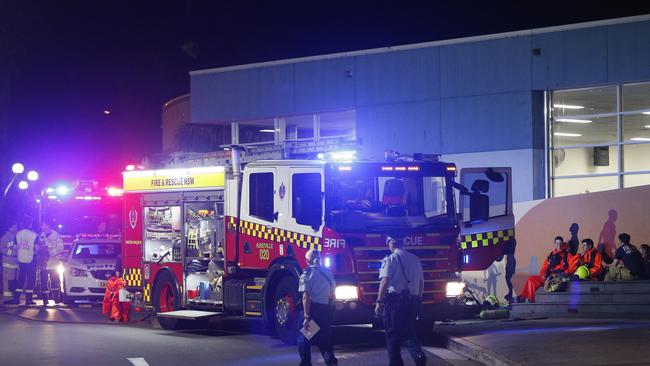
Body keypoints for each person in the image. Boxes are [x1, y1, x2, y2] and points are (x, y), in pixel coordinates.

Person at [375, 236, 426, 366]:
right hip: (412, 301)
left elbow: (384, 281)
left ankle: (396, 363)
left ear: (392, 243)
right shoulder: (415, 259)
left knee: (392, 334)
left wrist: (379, 302)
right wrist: (417, 300)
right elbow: (421, 283)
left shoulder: (390, 259)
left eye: (388, 243)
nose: (388, 246)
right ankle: (418, 355)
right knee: (409, 331)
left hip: (395, 303)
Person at [297, 249, 337, 366]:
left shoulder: (307, 273)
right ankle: (331, 362)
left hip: (312, 311)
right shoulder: (328, 273)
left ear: (307, 260)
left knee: (304, 339)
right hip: (324, 310)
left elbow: (306, 297)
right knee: (325, 341)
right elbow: (333, 295)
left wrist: (306, 316)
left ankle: (306, 363)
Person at [517, 236, 573, 303]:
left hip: (557, 279)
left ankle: (526, 299)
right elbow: (544, 267)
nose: (559, 245)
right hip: (547, 278)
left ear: (563, 244)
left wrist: (560, 275)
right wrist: (543, 275)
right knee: (531, 279)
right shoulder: (551, 255)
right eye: (557, 244)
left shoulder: (568, 255)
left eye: (560, 243)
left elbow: (571, 268)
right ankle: (527, 299)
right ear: (555, 244)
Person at [9, 217, 39, 305]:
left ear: (22, 224)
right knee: (31, 279)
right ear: (30, 223)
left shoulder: (18, 234)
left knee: (21, 279)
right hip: (31, 260)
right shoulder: (34, 235)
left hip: (21, 259)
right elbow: (37, 248)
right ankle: (28, 299)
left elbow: (15, 247)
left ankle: (16, 298)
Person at [39, 221, 64, 304]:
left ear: (48, 225)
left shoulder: (56, 235)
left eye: (43, 224)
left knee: (55, 281)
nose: (41, 226)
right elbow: (38, 247)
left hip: (54, 263)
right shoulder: (40, 235)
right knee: (43, 282)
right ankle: (45, 300)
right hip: (44, 263)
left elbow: (60, 248)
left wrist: (50, 251)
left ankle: (56, 297)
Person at [1, 222, 18, 302]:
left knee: (12, 282)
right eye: (14, 226)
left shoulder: (16, 236)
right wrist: (13, 253)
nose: (16, 228)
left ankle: (13, 297)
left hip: (14, 264)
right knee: (7, 281)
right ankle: (7, 298)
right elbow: (1, 249)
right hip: (8, 264)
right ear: (10, 227)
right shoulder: (5, 237)